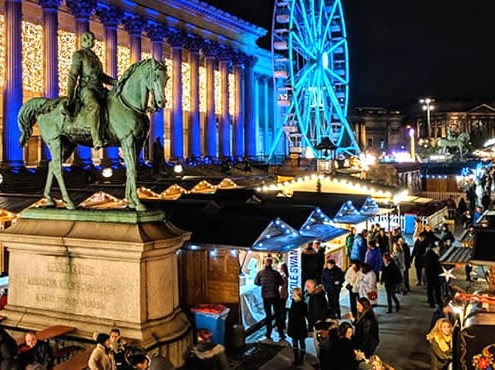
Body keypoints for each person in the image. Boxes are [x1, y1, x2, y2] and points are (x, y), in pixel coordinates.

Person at [67, 30, 117, 149]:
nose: (93, 42)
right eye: (90, 39)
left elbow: (101, 76)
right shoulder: (79, 55)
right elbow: (73, 75)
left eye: (93, 39)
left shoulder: (94, 57)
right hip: (87, 89)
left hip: (99, 89)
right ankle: (96, 139)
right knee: (95, 106)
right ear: (85, 40)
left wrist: (116, 82)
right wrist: (70, 94)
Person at [254, 257, 285, 341]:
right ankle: (281, 333)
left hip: (266, 296)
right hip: (275, 295)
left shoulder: (260, 273)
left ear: (264, 263)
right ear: (271, 263)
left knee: (268, 315)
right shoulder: (276, 273)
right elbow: (282, 283)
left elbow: (256, 282)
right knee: (278, 314)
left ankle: (268, 333)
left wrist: (263, 284)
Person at [287, 287, 308, 366]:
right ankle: (297, 358)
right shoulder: (298, 303)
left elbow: (305, 314)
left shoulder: (301, 304)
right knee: (296, 342)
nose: (292, 295)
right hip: (296, 325)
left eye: (293, 293)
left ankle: (300, 357)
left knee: (299, 341)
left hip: (298, 324)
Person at [423, 244, 443, 308]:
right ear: (433, 248)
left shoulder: (426, 255)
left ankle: (431, 301)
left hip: (428, 275)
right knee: (437, 289)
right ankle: (438, 301)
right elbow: (438, 266)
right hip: (435, 275)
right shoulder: (435, 256)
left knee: (430, 289)